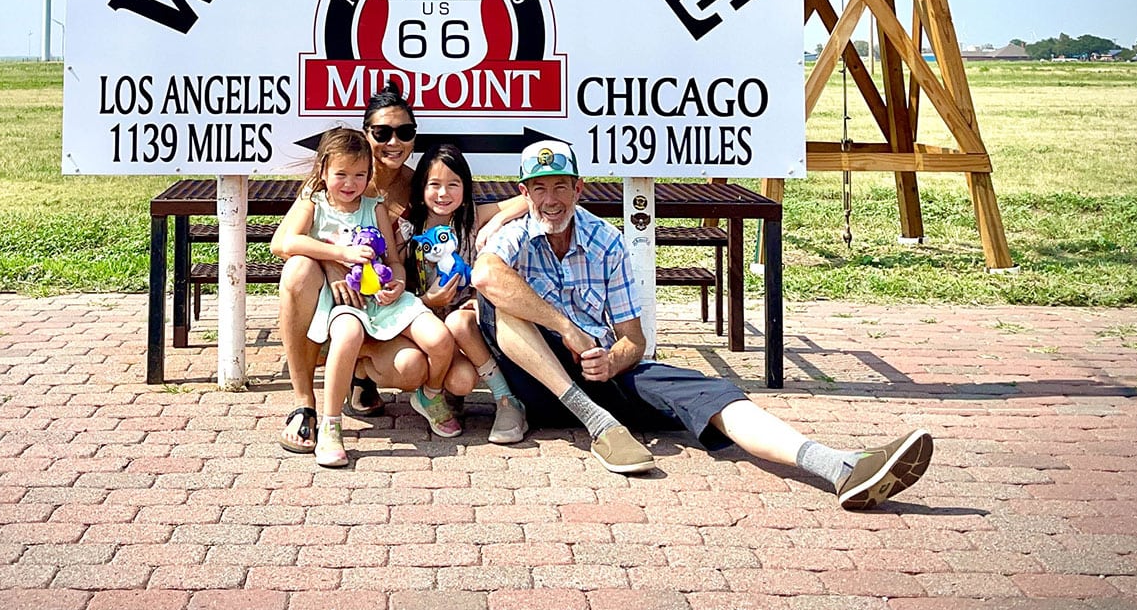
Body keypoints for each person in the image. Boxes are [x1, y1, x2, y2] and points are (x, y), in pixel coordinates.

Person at [470, 140, 934, 509]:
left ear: (579, 188)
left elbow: (634, 339)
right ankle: (599, 425)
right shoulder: (513, 236)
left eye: (560, 187)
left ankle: (840, 467)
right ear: (524, 193)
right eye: (539, 189)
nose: (551, 201)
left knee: (710, 392)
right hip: (539, 383)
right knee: (500, 302)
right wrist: (567, 329)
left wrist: (613, 360)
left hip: (599, 374)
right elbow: (486, 275)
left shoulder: (606, 241)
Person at [271, 128, 457, 466]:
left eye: (359, 175)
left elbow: (396, 264)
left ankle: (429, 395)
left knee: (439, 338)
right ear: (323, 171)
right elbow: (287, 243)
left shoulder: (374, 207)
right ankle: (329, 424)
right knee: (348, 333)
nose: (349, 183)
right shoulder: (315, 203)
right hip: (346, 301)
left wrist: (398, 283)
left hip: (384, 299)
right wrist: (339, 254)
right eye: (340, 174)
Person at [401, 143, 528, 443]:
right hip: (424, 328)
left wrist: (494, 221)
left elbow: (525, 200)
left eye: (453, 185)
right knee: (456, 374)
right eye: (434, 185)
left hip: (464, 325)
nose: (443, 194)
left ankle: (500, 399)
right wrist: (428, 301)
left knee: (462, 381)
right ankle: (436, 392)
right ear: (421, 187)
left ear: (465, 187)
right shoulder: (408, 231)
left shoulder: (469, 218)